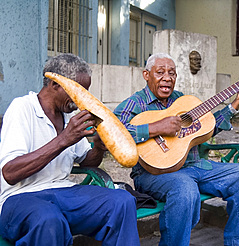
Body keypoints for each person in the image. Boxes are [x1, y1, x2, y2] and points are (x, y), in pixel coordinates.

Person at [114, 53, 239, 246]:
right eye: (160, 72)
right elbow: (111, 134)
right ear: (146, 75)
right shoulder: (135, 103)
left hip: (194, 166)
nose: (167, 77)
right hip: (153, 174)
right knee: (185, 188)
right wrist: (155, 128)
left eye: (172, 73)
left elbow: (205, 129)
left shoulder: (182, 101)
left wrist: (236, 103)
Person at [0, 53, 140, 246]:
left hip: (64, 192)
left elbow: (87, 161)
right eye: (78, 91)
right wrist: (64, 139)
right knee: (49, 220)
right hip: (21, 198)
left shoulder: (69, 115)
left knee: (122, 202)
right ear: (55, 84)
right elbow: (10, 173)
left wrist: (99, 147)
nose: (80, 100)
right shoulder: (22, 108)